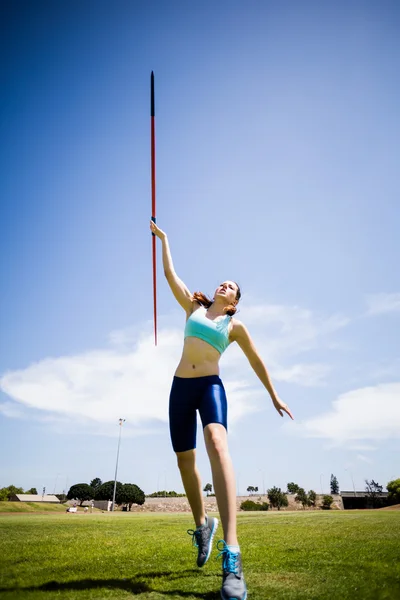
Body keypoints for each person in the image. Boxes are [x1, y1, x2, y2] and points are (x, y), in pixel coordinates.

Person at [150, 221, 293, 600]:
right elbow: (169, 273)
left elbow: (258, 361)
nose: (222, 286)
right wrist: (164, 239)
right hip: (180, 387)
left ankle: (232, 553)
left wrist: (274, 395)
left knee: (216, 440)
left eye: (230, 286)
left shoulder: (234, 325)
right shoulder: (192, 307)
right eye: (221, 282)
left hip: (210, 388)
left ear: (234, 300)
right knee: (184, 461)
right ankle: (202, 526)